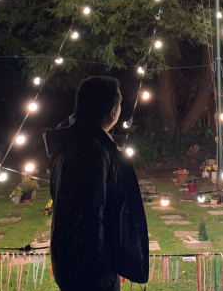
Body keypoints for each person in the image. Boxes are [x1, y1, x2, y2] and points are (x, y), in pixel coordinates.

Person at [44, 76, 148, 291]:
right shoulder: (91, 149)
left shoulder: (68, 142)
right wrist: (100, 272)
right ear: (112, 112)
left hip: (69, 260)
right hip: (90, 270)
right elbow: (90, 212)